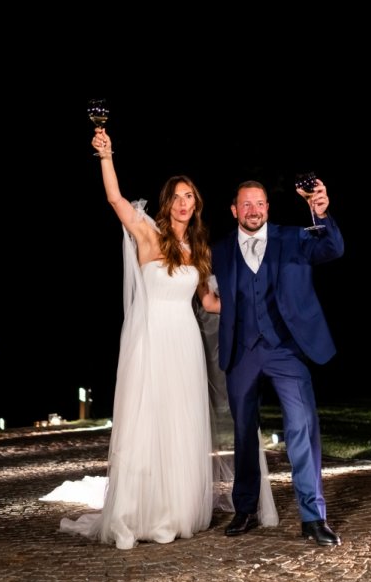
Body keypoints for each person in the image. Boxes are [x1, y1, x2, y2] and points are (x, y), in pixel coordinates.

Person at [53, 129, 277, 549]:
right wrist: (106, 156)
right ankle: (138, 513)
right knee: (147, 425)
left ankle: (174, 512)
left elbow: (209, 303)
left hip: (186, 345)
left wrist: (250, 304)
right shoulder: (147, 234)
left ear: (196, 204)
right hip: (152, 340)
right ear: (167, 202)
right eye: (176, 196)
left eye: (188, 196)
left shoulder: (198, 249)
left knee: (181, 427)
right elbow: (115, 200)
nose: (182, 202)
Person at [211, 177, 344, 546]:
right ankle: (246, 509)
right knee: (242, 433)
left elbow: (332, 248)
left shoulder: (294, 237)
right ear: (235, 210)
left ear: (268, 207)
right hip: (241, 351)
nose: (254, 211)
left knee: (301, 426)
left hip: (286, 348)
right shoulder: (219, 249)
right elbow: (209, 293)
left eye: (260, 204)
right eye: (246, 205)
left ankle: (313, 517)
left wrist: (320, 211)